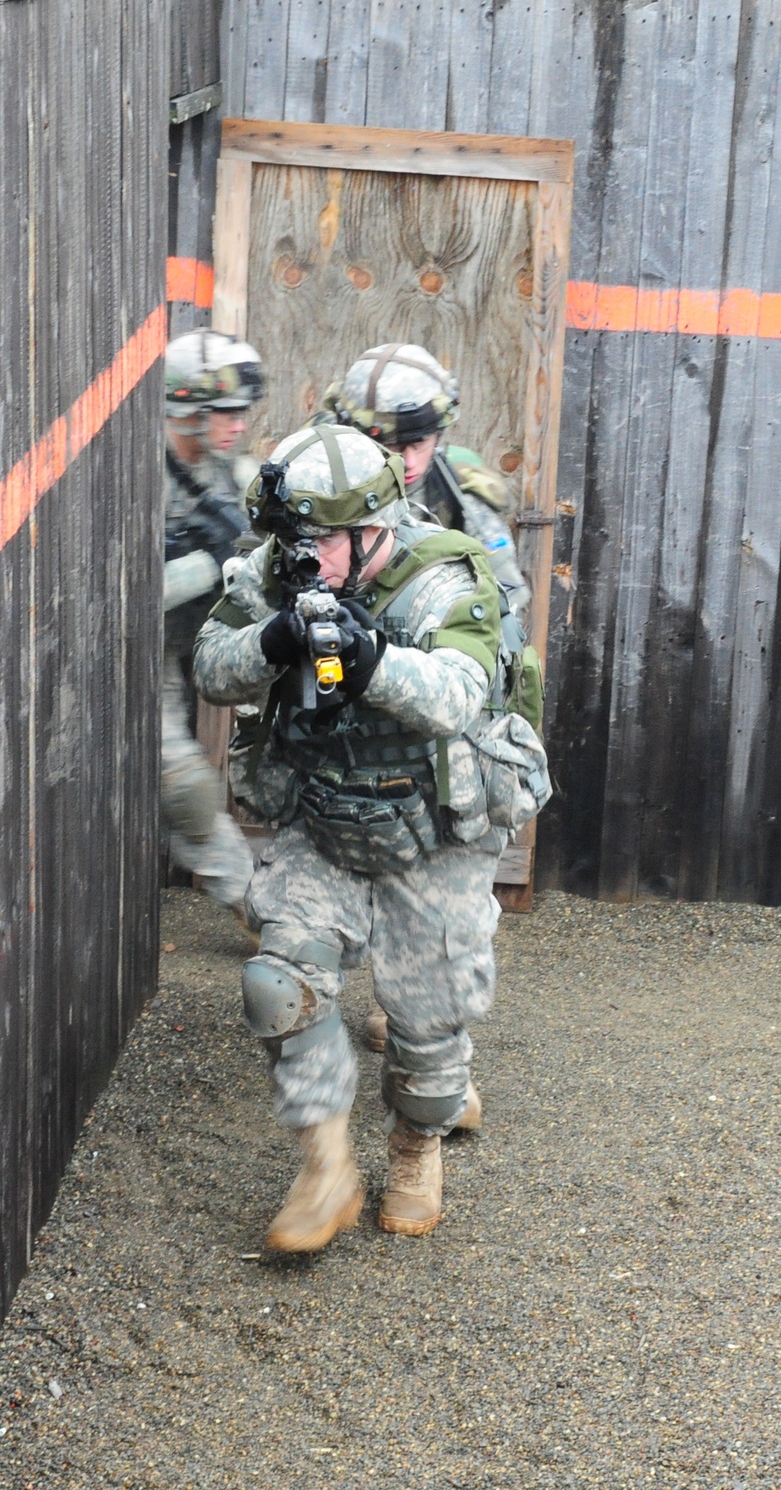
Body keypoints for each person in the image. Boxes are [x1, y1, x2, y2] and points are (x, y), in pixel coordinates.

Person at [192, 421, 533, 1248]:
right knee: (279, 982)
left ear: (375, 526)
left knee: (428, 1022)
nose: (304, 555)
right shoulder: (279, 570)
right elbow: (210, 664)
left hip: (435, 829)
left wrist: (371, 658)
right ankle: (325, 1165)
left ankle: (418, 1145)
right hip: (329, 815)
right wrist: (271, 641)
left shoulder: (444, 576)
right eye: (294, 537)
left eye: (324, 540)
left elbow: (458, 692)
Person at [320, 341, 530, 1050]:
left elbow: (508, 620)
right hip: (354, 730)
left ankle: (427, 1036)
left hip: (451, 721)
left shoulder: (464, 503)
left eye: (420, 442)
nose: (407, 461)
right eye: (386, 444)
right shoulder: (324, 494)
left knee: (450, 917)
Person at [162, 328, 265, 916]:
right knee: (186, 788)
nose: (239, 424)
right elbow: (111, 596)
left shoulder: (232, 471)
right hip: (135, 653)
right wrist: (210, 561)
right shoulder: (128, 476)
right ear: (187, 410)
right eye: (225, 412)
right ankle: (253, 906)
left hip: (215, 641)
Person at [319, 342, 529, 617]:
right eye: (392, 446)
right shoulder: (316, 480)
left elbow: (507, 598)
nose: (410, 463)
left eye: (419, 444)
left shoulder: (457, 497)